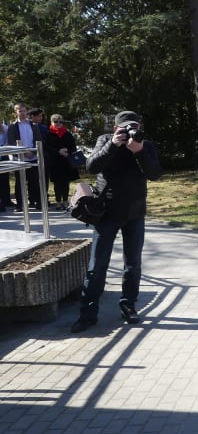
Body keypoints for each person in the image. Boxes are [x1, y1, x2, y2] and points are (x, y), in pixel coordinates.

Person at [72, 110, 162, 333]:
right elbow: (91, 167)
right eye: (126, 128)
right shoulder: (104, 141)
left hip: (135, 213)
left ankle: (128, 306)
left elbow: (155, 174)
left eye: (135, 127)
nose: (131, 132)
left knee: (133, 265)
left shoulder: (145, 145)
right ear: (115, 129)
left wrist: (139, 151)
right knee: (97, 266)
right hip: (107, 215)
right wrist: (113, 145)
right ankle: (88, 314)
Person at [6, 103, 44, 211]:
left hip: (33, 157)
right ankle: (20, 205)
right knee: (20, 183)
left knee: (35, 181)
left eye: (24, 111)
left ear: (26, 111)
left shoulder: (33, 125)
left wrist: (33, 152)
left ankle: (37, 202)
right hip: (20, 159)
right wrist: (23, 153)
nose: (22, 113)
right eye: (20, 111)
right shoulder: (13, 126)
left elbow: (38, 139)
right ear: (16, 112)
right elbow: (11, 143)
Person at [45, 114, 78, 210]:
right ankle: (58, 201)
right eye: (56, 122)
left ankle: (65, 200)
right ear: (51, 122)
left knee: (65, 183)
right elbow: (47, 147)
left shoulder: (67, 134)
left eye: (60, 122)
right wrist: (58, 151)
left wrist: (67, 151)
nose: (58, 124)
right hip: (55, 162)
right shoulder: (48, 134)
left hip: (66, 162)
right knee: (57, 183)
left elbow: (73, 147)